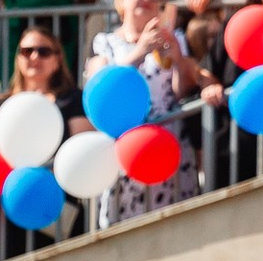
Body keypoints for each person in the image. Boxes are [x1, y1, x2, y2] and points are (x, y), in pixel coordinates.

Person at [85, 0, 216, 227]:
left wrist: (177, 60)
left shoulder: (176, 38)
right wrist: (140, 52)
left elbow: (180, 92)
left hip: (168, 152)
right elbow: (99, 89)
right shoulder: (104, 43)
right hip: (125, 157)